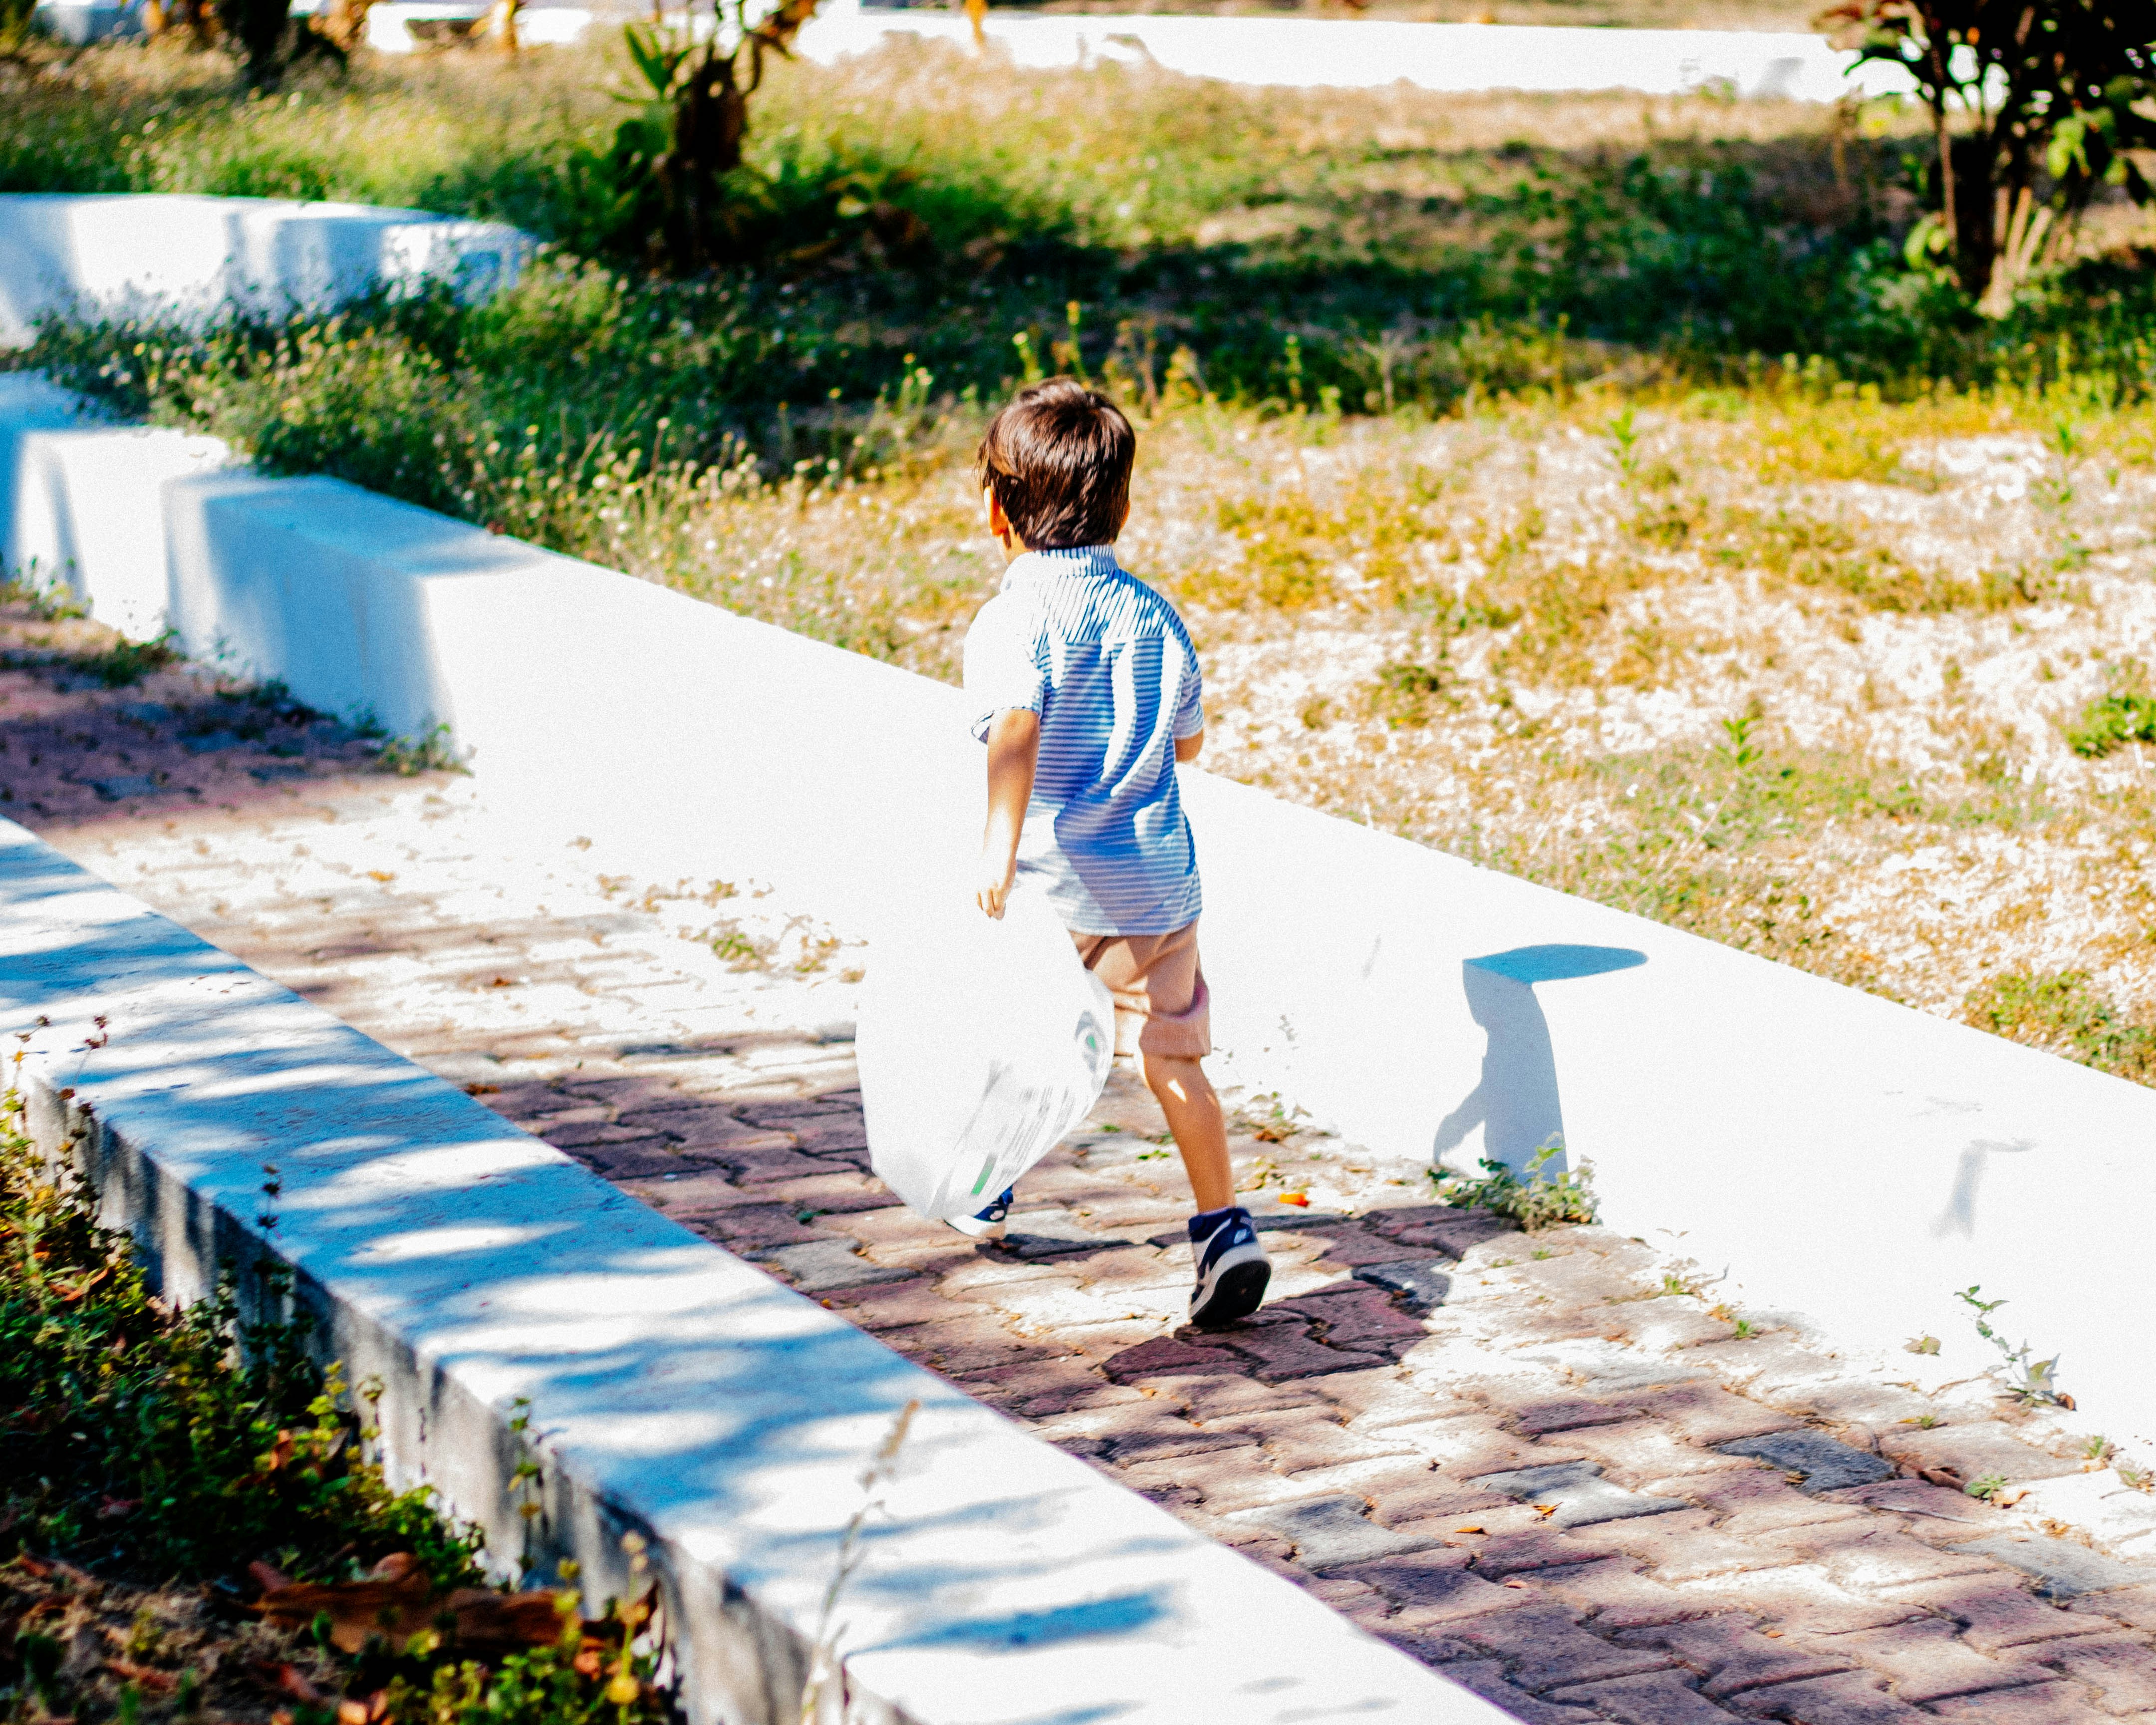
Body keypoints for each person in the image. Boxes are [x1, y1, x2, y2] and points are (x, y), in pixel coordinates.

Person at [960, 376, 1271, 1328]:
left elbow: (1016, 724)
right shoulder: (1154, 615)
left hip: (1061, 882)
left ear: (994, 508)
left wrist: (998, 846)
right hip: (1158, 883)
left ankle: (989, 1179)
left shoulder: (1013, 618)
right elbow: (1186, 745)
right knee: (1174, 1058)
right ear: (1124, 508)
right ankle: (1224, 1229)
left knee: (1022, 1031)